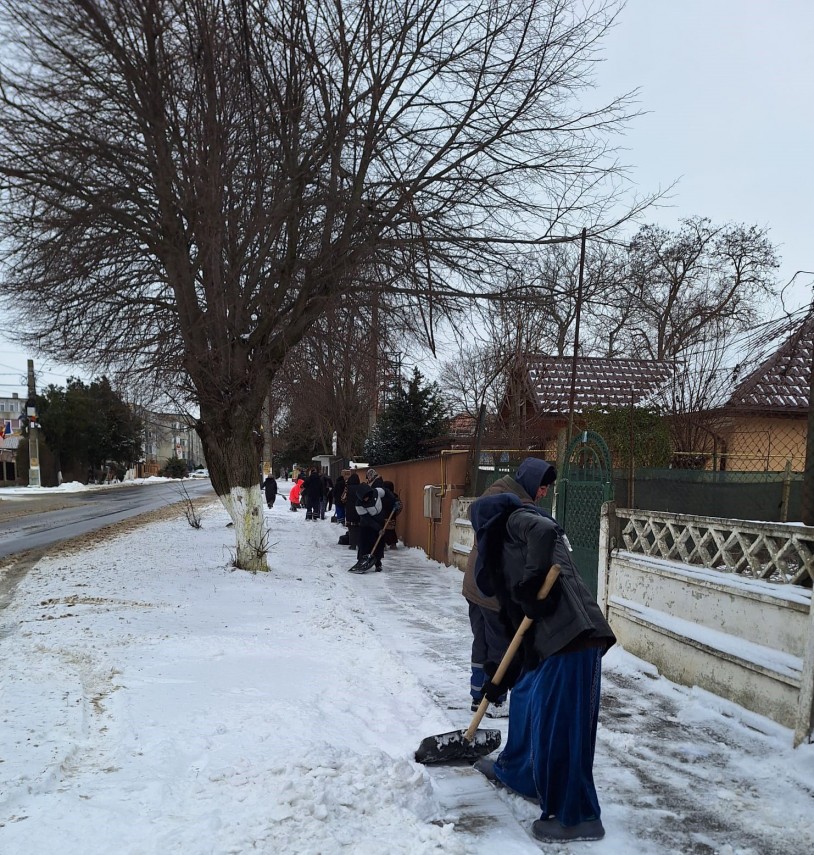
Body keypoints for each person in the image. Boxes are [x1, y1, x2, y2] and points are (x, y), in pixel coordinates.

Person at [469, 457, 615, 844]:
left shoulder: (513, 519)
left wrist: (534, 585)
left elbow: (545, 531)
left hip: (574, 637)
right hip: (555, 644)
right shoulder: (504, 560)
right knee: (544, 724)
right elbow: (518, 632)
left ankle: (579, 819)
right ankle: (523, 775)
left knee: (565, 732)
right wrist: (497, 682)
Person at [352, 472, 399, 572]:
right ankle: (361, 561)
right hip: (367, 525)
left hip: (380, 519)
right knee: (364, 544)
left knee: (378, 544)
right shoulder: (359, 505)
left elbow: (386, 492)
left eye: (366, 496)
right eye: (363, 498)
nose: (365, 499)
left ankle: (378, 563)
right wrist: (378, 528)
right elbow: (367, 519)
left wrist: (394, 501)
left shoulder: (376, 492)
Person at [339, 472, 362, 547]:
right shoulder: (361, 487)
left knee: (351, 528)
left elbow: (343, 498)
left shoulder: (348, 488)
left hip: (350, 510)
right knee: (359, 527)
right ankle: (359, 543)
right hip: (360, 510)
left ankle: (352, 544)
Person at [381, 480, 401, 550]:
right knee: (391, 531)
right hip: (392, 517)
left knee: (384, 531)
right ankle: (393, 544)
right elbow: (399, 507)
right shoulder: (395, 496)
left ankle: (383, 544)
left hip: (384, 517)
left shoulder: (383, 496)